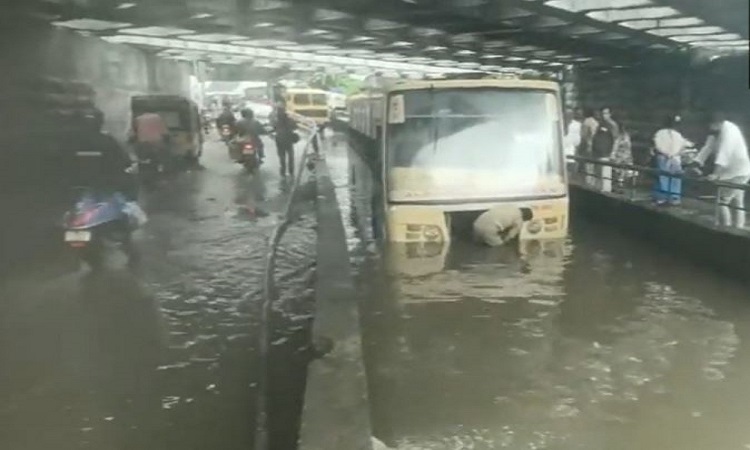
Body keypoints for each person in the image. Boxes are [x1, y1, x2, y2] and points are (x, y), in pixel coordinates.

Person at [694, 111, 750, 228]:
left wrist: (715, 174)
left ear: (716, 123)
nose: (708, 127)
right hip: (733, 171)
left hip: (738, 171)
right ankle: (737, 227)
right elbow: (707, 148)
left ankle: (726, 227)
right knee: (737, 201)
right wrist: (696, 162)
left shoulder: (730, 130)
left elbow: (725, 153)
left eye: (709, 125)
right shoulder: (715, 132)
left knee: (722, 202)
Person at [74, 109, 136, 201]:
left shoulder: (72, 141)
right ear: (100, 123)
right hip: (104, 185)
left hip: (77, 183)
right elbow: (123, 160)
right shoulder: (107, 140)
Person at [652, 115, 691, 205]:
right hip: (670, 157)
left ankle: (668, 197)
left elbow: (657, 145)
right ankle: (670, 197)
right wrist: (671, 154)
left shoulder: (662, 133)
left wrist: (668, 154)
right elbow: (682, 147)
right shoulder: (670, 134)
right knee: (669, 177)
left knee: (668, 177)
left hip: (668, 157)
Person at [590, 107, 619, 191]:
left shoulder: (612, 125)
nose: (603, 115)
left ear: (610, 114)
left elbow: (616, 139)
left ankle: (606, 191)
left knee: (605, 176)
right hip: (597, 154)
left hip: (606, 154)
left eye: (606, 113)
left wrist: (613, 153)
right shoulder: (600, 124)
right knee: (598, 175)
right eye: (602, 113)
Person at [272, 101, 298, 177]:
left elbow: (273, 127)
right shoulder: (289, 118)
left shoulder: (275, 119)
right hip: (288, 138)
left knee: (282, 156)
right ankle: (291, 171)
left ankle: (283, 171)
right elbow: (295, 126)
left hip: (279, 139)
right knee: (290, 155)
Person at [611, 119, 634, 191]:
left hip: (626, 156)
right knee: (618, 173)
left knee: (624, 173)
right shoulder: (618, 136)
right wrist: (613, 154)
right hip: (619, 156)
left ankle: (620, 186)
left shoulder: (627, 136)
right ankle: (617, 187)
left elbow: (629, 147)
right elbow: (615, 146)